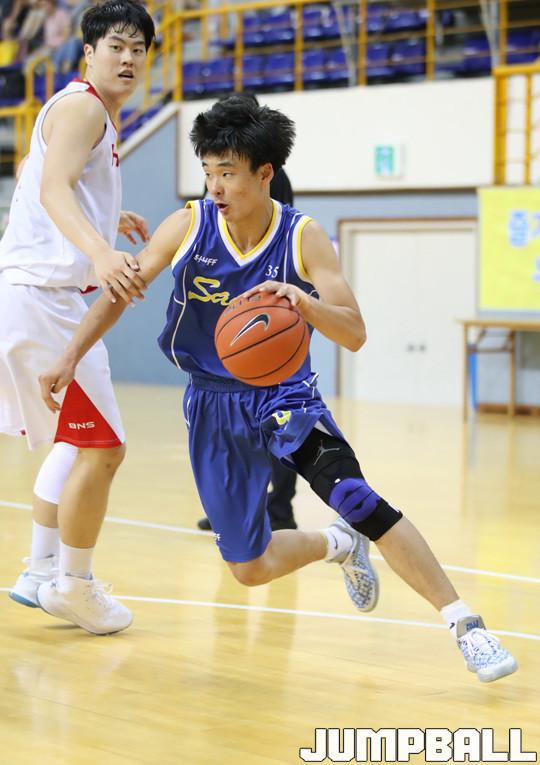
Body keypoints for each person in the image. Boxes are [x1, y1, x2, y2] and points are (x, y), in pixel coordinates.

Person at [40, 94, 518, 681]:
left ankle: (465, 625)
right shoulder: (188, 226)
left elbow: (355, 333)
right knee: (249, 567)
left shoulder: (303, 237)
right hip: (211, 402)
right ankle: (337, 545)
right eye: (208, 172)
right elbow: (121, 292)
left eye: (228, 173)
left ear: (264, 173)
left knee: (357, 497)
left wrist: (304, 302)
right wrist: (69, 356)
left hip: (285, 397)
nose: (215, 186)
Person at [0, 0, 155, 635]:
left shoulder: (86, 111)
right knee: (103, 448)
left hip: (40, 295)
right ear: (88, 51)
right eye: (116, 46)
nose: (128, 58)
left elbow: (40, 174)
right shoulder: (84, 106)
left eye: (139, 49)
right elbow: (51, 186)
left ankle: (40, 572)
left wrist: (104, 220)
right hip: (42, 295)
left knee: (76, 440)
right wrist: (100, 249)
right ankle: (74, 584)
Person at [196, 100, 298, 534]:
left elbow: (276, 237)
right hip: (230, 306)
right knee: (230, 421)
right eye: (210, 173)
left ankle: (281, 507)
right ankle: (237, 506)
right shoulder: (216, 184)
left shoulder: (272, 176)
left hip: (271, 303)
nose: (215, 184)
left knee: (280, 416)